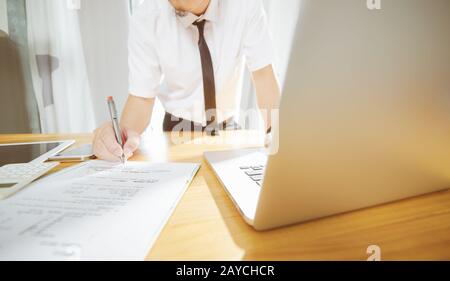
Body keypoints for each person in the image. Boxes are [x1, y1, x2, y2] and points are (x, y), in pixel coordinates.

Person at [93, 0, 281, 162]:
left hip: (228, 129)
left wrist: (277, 136)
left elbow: (263, 75)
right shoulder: (147, 16)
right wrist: (121, 139)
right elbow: (142, 97)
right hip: (176, 131)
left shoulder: (244, 5)